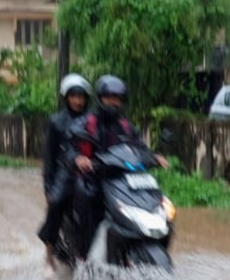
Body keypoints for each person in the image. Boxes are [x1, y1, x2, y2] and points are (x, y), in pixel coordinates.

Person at [68, 76, 169, 259]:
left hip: (122, 179)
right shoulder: (86, 123)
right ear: (100, 98)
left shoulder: (125, 126)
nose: (113, 102)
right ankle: (83, 254)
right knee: (86, 196)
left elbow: (139, 147)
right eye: (109, 97)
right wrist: (78, 158)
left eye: (118, 98)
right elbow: (70, 147)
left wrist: (153, 156)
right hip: (93, 177)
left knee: (157, 202)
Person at [37, 74, 92, 267]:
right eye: (74, 96)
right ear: (66, 97)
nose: (78, 101)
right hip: (65, 172)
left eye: (82, 96)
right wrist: (48, 188)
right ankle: (49, 256)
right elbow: (50, 157)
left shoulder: (93, 120)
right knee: (56, 202)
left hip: (91, 170)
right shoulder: (57, 122)